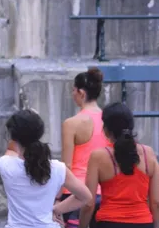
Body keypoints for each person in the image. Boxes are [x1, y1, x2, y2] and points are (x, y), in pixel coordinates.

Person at [0, 109, 92, 228]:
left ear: (13, 136)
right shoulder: (58, 168)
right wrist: (56, 209)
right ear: (40, 132)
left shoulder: (5, 164)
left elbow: (10, 150)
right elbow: (86, 197)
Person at [78, 103, 159, 228]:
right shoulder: (149, 154)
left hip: (108, 223)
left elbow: (89, 203)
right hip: (143, 222)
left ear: (106, 129)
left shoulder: (98, 157)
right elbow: (155, 202)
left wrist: (82, 226)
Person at [60, 67, 111, 228]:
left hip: (76, 194)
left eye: (73, 90)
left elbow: (66, 165)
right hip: (105, 191)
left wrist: (57, 197)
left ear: (81, 93)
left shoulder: (71, 123)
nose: (72, 94)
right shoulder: (109, 120)